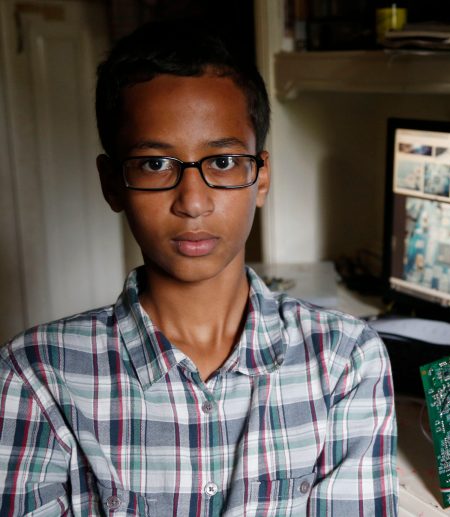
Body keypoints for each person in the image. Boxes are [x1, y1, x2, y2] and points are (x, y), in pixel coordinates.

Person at [0, 20, 398, 516]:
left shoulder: (344, 360)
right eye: (154, 165)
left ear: (262, 176)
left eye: (225, 163)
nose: (193, 202)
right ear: (112, 184)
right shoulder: (38, 374)